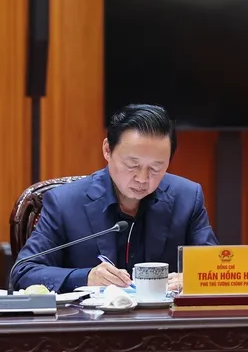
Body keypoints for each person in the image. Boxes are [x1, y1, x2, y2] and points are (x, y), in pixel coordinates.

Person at [11, 104, 218, 293]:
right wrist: (86, 277)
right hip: (90, 320)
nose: (142, 178)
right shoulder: (65, 203)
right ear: (107, 150)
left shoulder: (187, 197)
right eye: (132, 165)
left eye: (156, 168)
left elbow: (216, 269)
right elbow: (24, 272)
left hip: (164, 320)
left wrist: (192, 278)